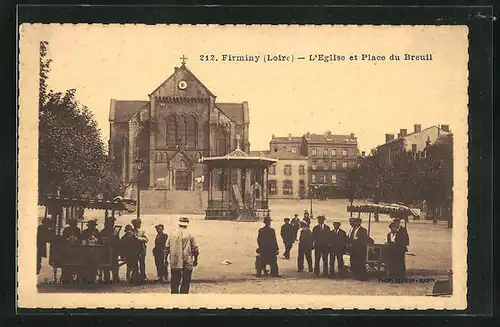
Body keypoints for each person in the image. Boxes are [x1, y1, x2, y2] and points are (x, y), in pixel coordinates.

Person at [165, 217, 199, 294]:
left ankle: (174, 298)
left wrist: (165, 259)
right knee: (186, 281)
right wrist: (196, 259)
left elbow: (166, 248)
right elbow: (195, 249)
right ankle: (183, 298)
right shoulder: (190, 234)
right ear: (187, 224)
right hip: (187, 261)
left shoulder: (172, 234)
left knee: (174, 282)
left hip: (175, 261)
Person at [99, 216, 120, 283]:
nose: (112, 224)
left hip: (114, 251)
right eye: (111, 223)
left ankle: (115, 278)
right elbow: (100, 241)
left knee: (115, 266)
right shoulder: (103, 231)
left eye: (113, 223)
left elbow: (118, 241)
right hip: (105, 252)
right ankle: (107, 279)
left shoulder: (115, 231)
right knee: (106, 266)